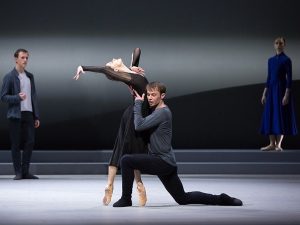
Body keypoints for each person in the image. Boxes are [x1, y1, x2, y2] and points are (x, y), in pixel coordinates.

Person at [113, 81, 243, 207]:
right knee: (183, 198)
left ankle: (126, 199)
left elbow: (139, 125)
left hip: (162, 161)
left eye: (154, 95)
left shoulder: (163, 112)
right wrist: (135, 86)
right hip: (166, 163)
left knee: (126, 160)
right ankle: (222, 199)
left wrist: (137, 104)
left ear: (162, 96)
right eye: (148, 94)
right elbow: (140, 96)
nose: (150, 98)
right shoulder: (155, 109)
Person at [74, 48, 149, 206]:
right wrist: (83, 67)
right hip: (135, 114)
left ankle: (115, 185)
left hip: (134, 113)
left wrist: (132, 66)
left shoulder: (133, 74)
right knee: (128, 150)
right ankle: (136, 185)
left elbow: (137, 51)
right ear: (116, 70)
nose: (113, 59)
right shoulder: (132, 78)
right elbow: (104, 69)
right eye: (111, 63)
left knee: (125, 149)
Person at [1, 48, 40, 180]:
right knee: (16, 144)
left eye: (27, 58)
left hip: (28, 114)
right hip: (15, 115)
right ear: (16, 59)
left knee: (30, 142)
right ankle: (18, 172)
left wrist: (36, 115)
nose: (25, 60)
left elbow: (33, 96)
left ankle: (25, 172)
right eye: (22, 57)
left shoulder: (30, 77)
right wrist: (17, 97)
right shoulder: (9, 76)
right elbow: (3, 97)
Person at [260, 37, 298, 151]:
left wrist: (286, 94)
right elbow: (268, 77)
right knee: (270, 114)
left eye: (280, 43)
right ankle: (271, 143)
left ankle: (279, 144)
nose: (278, 45)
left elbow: (290, 78)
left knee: (280, 115)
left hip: (281, 89)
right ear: (274, 45)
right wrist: (264, 93)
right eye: (276, 43)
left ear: (284, 45)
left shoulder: (287, 60)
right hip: (271, 89)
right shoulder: (270, 60)